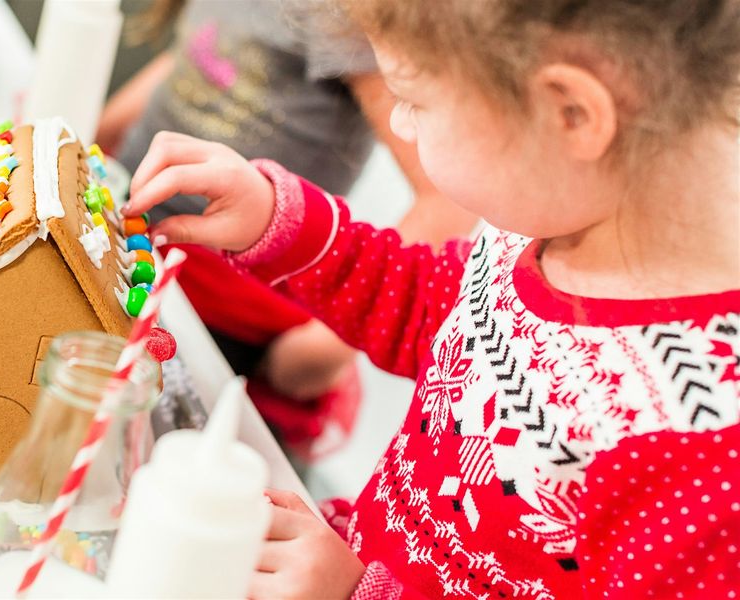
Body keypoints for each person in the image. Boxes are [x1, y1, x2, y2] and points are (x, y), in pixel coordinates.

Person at [123, 0, 740, 596]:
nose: (398, 122)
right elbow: (428, 308)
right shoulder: (542, 221)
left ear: (571, 114)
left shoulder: (703, 450)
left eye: (415, 99)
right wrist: (276, 220)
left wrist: (358, 594)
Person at [99, 0, 478, 447]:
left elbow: (448, 201)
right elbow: (207, 55)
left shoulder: (342, 13)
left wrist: (322, 349)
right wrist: (98, 135)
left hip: (211, 303)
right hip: (133, 233)